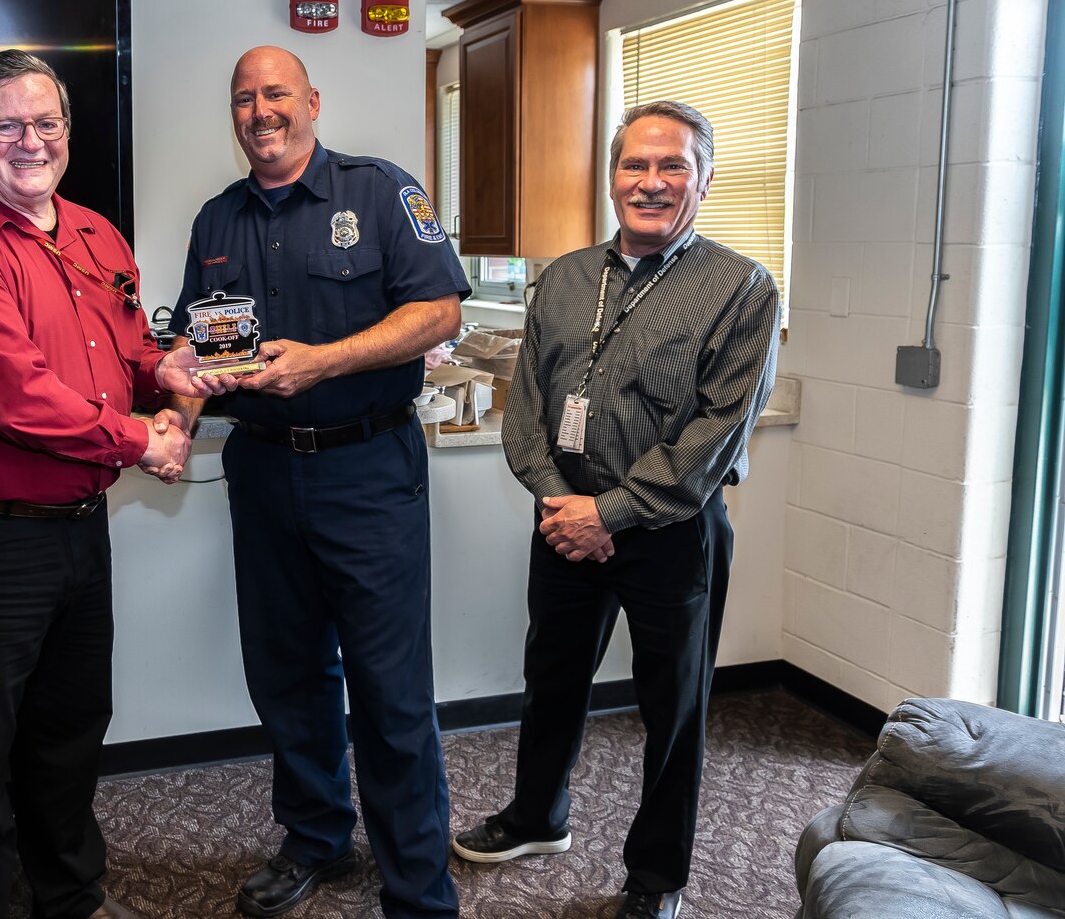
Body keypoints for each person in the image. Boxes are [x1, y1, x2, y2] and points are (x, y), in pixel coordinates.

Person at [0, 49, 209, 919]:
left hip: (77, 531)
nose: (30, 142)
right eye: (6, 124)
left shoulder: (98, 233)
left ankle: (71, 899)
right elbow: (14, 394)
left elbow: (129, 355)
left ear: (67, 131)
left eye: (47, 123)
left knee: (69, 737)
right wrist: (142, 441)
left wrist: (174, 373)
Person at [452, 101, 780, 919]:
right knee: (552, 676)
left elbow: (715, 430)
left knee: (674, 704)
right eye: (636, 165)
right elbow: (526, 404)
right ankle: (538, 817)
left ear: (703, 181)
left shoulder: (742, 287)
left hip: (671, 530)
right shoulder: (564, 277)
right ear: (611, 177)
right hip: (564, 515)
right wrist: (558, 498)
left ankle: (656, 877)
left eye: (674, 167)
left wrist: (617, 512)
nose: (653, 182)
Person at [164, 46, 469, 919]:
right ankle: (317, 838)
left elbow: (439, 310)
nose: (260, 111)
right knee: (286, 673)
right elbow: (201, 356)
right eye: (244, 99)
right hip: (261, 472)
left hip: (366, 468)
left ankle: (417, 888)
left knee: (388, 685)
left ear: (312, 102)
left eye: (276, 95)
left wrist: (323, 363)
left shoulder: (376, 192)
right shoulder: (216, 222)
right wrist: (174, 425)